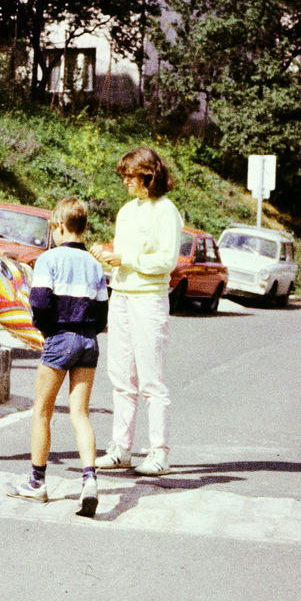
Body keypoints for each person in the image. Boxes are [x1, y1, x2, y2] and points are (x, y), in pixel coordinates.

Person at [6, 197, 109, 517]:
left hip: (59, 339)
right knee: (80, 413)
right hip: (89, 342)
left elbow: (38, 303)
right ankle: (89, 481)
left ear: (60, 227)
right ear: (84, 228)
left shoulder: (48, 260)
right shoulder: (95, 265)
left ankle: (37, 483)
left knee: (42, 412)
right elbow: (103, 312)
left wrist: (47, 331)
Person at [92, 147, 183, 476]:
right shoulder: (127, 211)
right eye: (124, 176)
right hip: (122, 297)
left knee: (151, 380)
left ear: (149, 175)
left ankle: (160, 453)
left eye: (131, 175)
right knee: (120, 377)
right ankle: (121, 448)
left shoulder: (166, 211)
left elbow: (167, 261)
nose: (126, 181)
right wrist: (109, 256)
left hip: (148, 300)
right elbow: (123, 254)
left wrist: (125, 259)